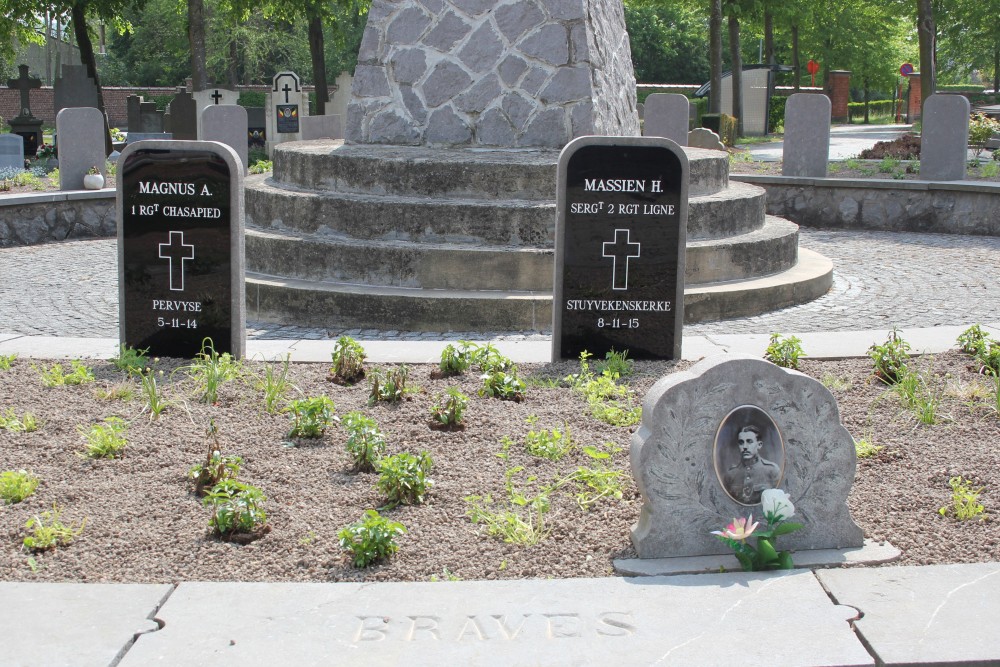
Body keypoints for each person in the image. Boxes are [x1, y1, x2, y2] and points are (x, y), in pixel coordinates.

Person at [722, 424, 780, 504]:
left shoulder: (772, 470)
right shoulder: (731, 474)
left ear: (759, 445)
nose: (745, 446)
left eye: (749, 442)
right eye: (741, 443)